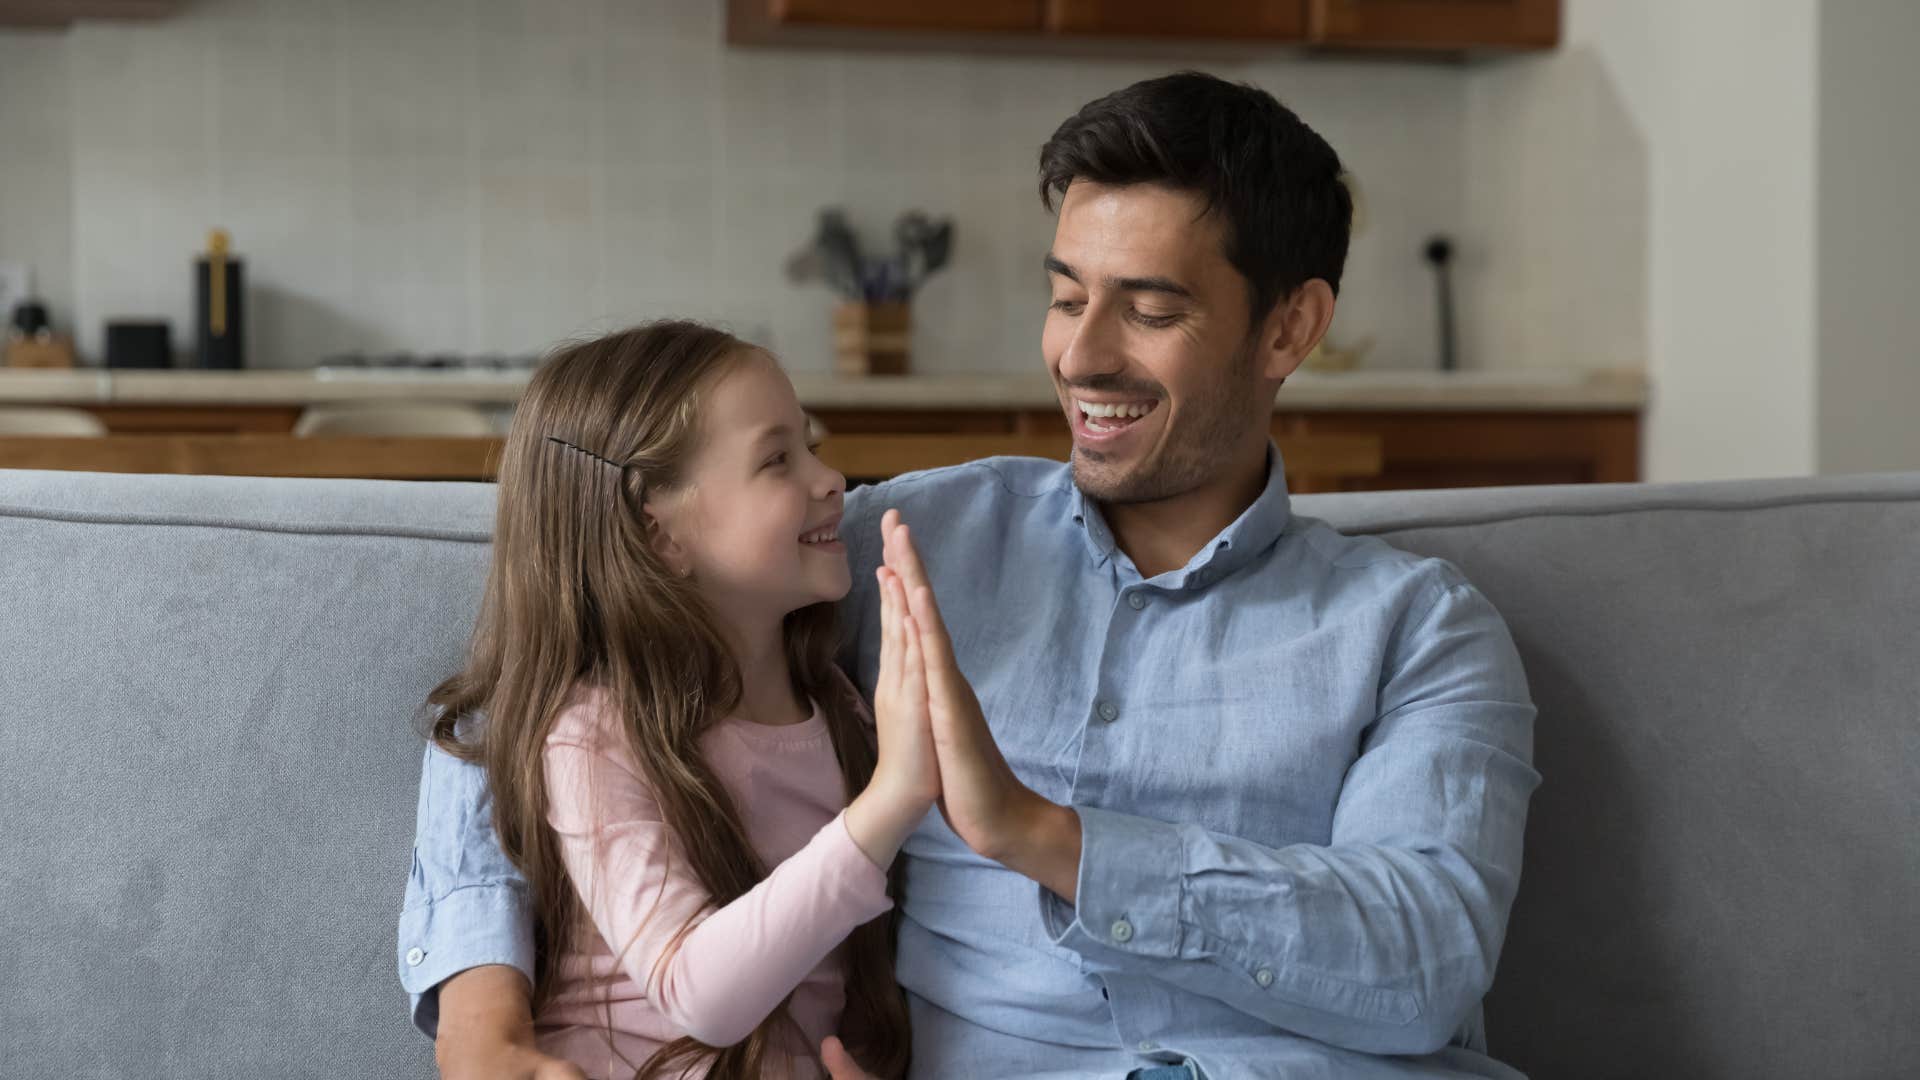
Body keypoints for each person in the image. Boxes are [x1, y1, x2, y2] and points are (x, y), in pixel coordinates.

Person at [402, 71, 1541, 1079]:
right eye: (1066, 297)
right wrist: (480, 1009)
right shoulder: (901, 546)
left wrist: (1041, 836)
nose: (1083, 355)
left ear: (1291, 329)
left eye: (1151, 310)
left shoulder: (1419, 629)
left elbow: (1429, 960)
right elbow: (552, 671)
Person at [405, 320, 945, 1079]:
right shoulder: (594, 733)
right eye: (777, 459)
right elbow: (698, 994)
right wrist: (891, 801)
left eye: (811, 446)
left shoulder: (846, 713)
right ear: (658, 532)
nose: (831, 480)